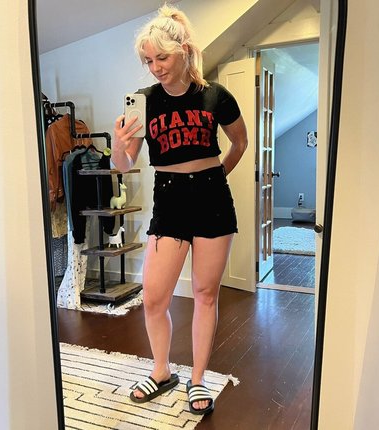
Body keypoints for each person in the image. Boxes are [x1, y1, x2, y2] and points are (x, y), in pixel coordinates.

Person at [112, 4, 247, 416]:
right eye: (148, 61)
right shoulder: (143, 102)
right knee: (154, 298)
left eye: (162, 58)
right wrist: (118, 144)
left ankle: (198, 378)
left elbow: (240, 143)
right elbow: (124, 164)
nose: (155, 68)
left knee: (205, 294)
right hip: (168, 199)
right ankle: (161, 371)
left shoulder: (215, 95)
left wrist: (216, 177)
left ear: (184, 51)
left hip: (211, 199)